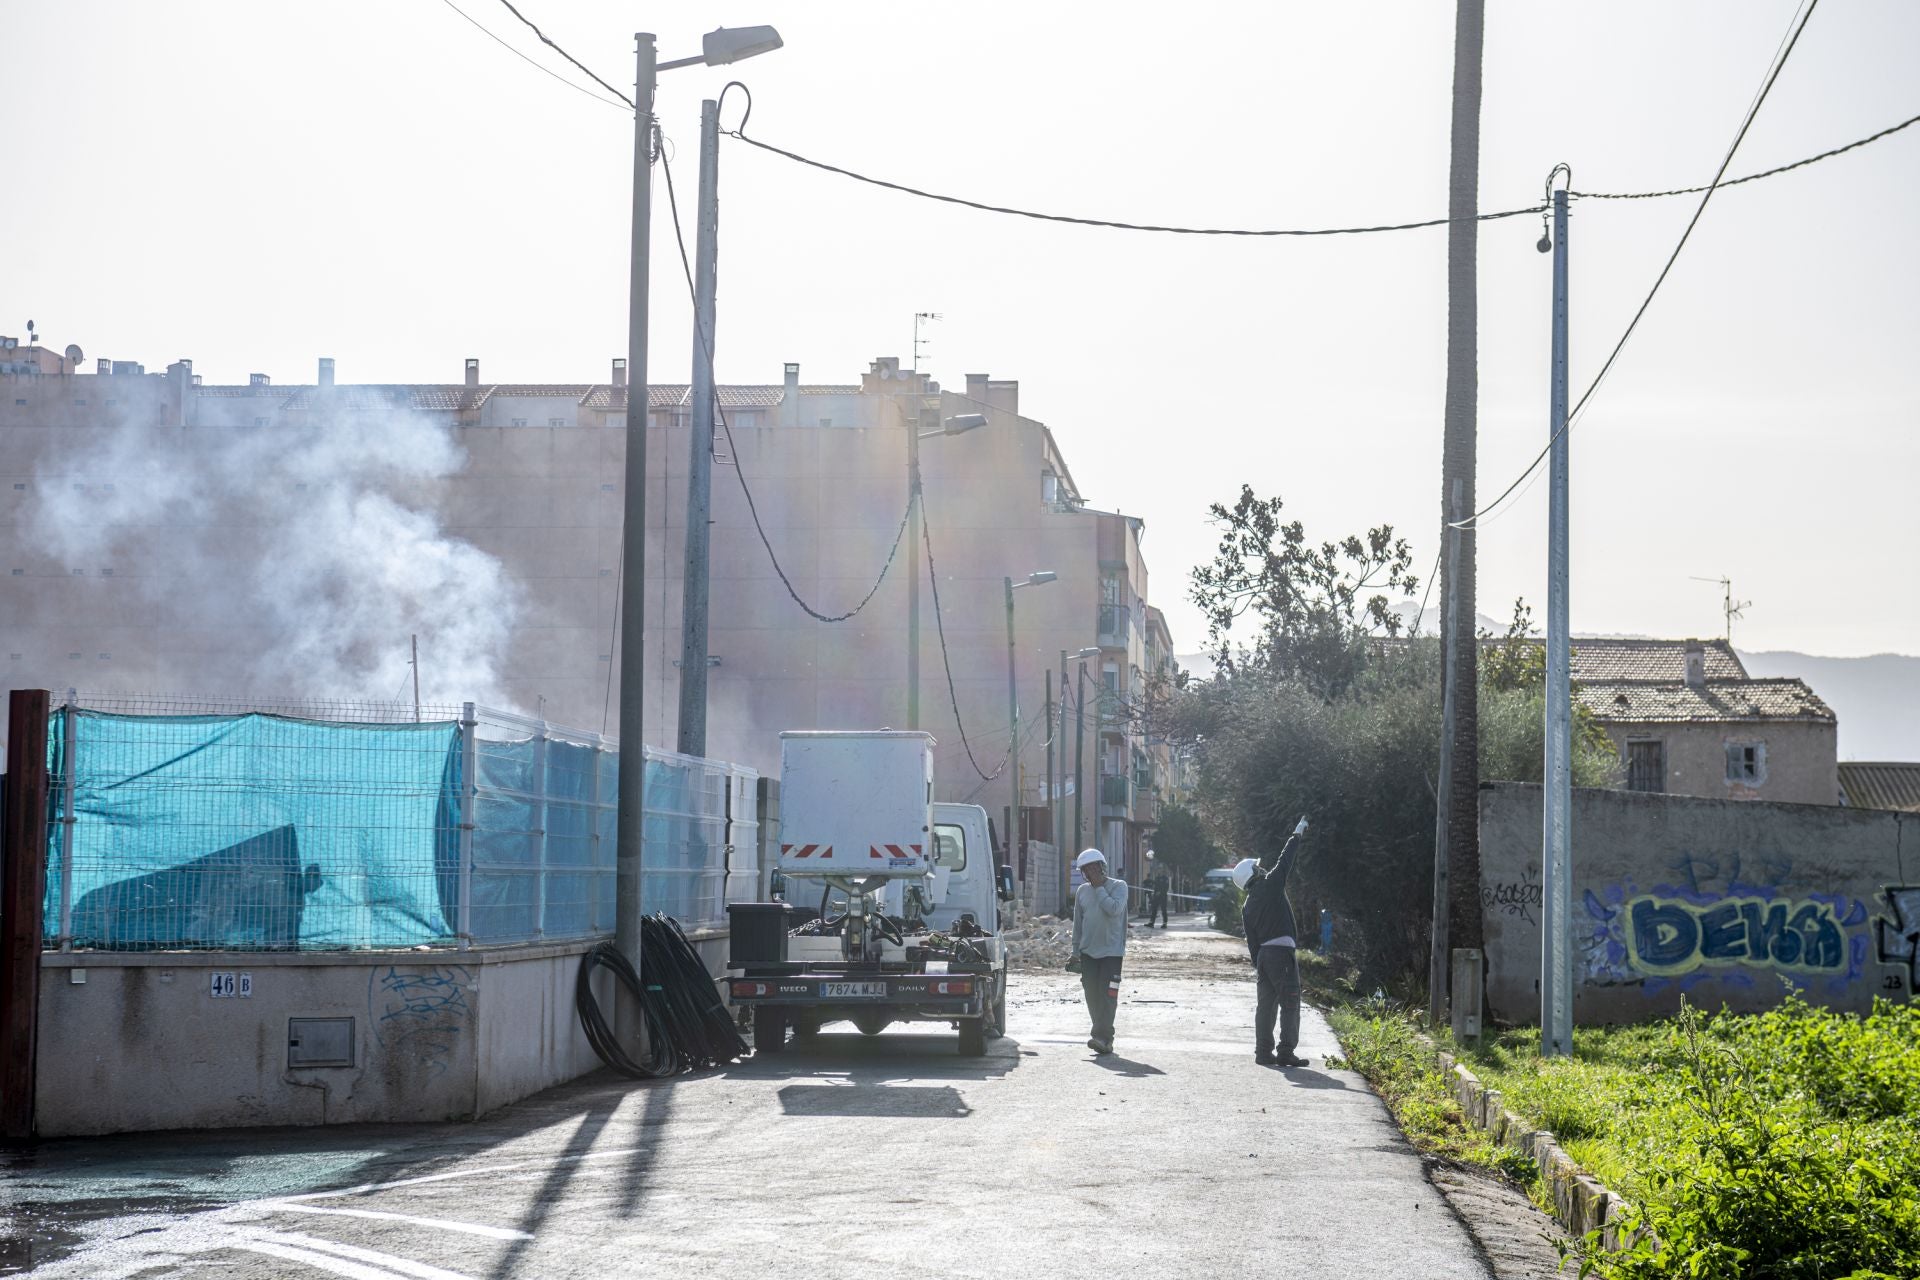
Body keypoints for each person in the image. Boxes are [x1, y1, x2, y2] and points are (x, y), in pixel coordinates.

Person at [1235, 815, 1310, 1067]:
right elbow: (1285, 860)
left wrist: (1260, 963)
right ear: (1255, 873)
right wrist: (1297, 833)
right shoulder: (1271, 884)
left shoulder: (1247, 905)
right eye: (1258, 867)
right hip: (1281, 954)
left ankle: (1263, 1053)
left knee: (1265, 1006)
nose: (1262, 868)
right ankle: (1286, 1052)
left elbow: (1252, 941)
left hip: (1265, 957)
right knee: (1290, 1001)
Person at [1067, 848, 1127, 1055]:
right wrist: (1075, 951)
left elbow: (1113, 909)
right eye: (1087, 869)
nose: (1092, 872)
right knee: (1092, 995)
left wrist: (1100, 888)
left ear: (1102, 866)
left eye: (1095, 867)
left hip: (1112, 953)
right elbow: (1078, 924)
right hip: (1088, 954)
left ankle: (1103, 1037)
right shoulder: (1082, 891)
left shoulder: (1119, 887)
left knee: (1108, 995)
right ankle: (1100, 1037)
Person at [1145, 857, 1170, 928]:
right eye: (1158, 869)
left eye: (1160, 869)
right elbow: (1156, 887)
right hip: (1156, 896)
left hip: (1163, 896)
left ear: (1163, 870)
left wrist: (1160, 892)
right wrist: (1154, 894)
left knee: (1163, 910)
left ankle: (1165, 923)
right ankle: (1151, 922)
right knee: (1154, 909)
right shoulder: (1157, 878)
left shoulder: (1165, 878)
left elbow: (1166, 888)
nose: (1159, 870)